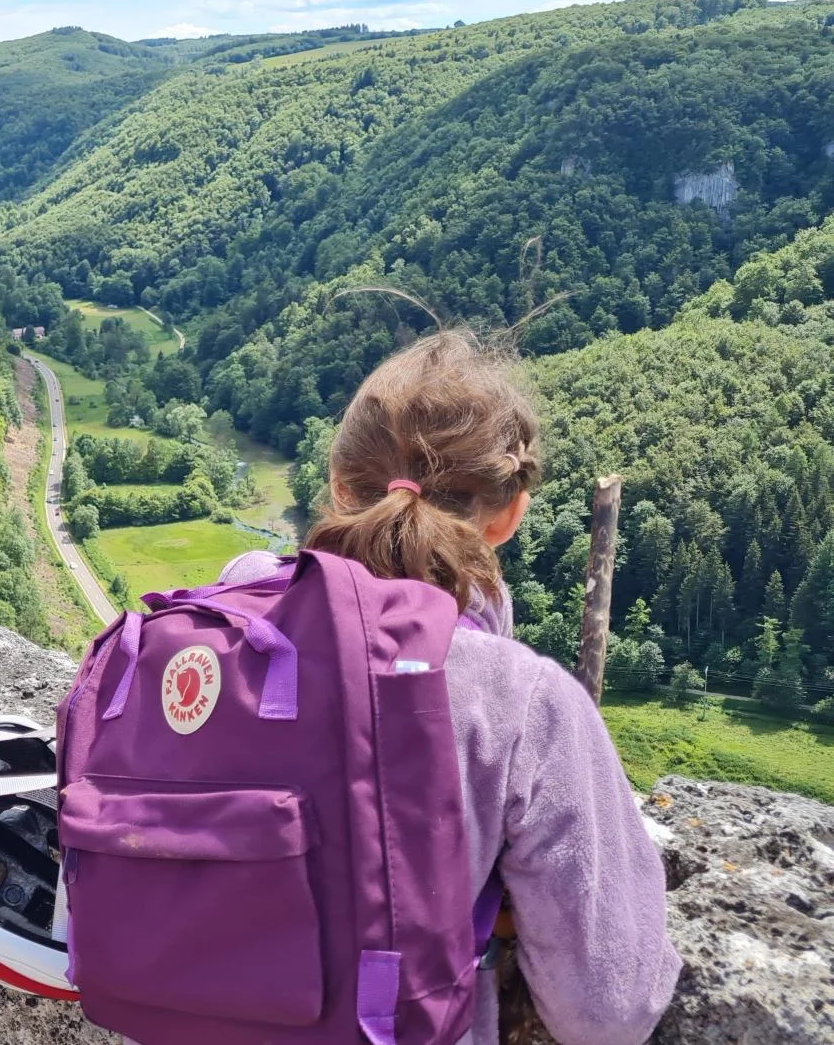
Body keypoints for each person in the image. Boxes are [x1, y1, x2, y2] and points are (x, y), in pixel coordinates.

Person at [217, 330, 680, 1044]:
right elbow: (605, 1010)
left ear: (340, 486)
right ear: (508, 514)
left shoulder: (224, 617)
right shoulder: (520, 699)